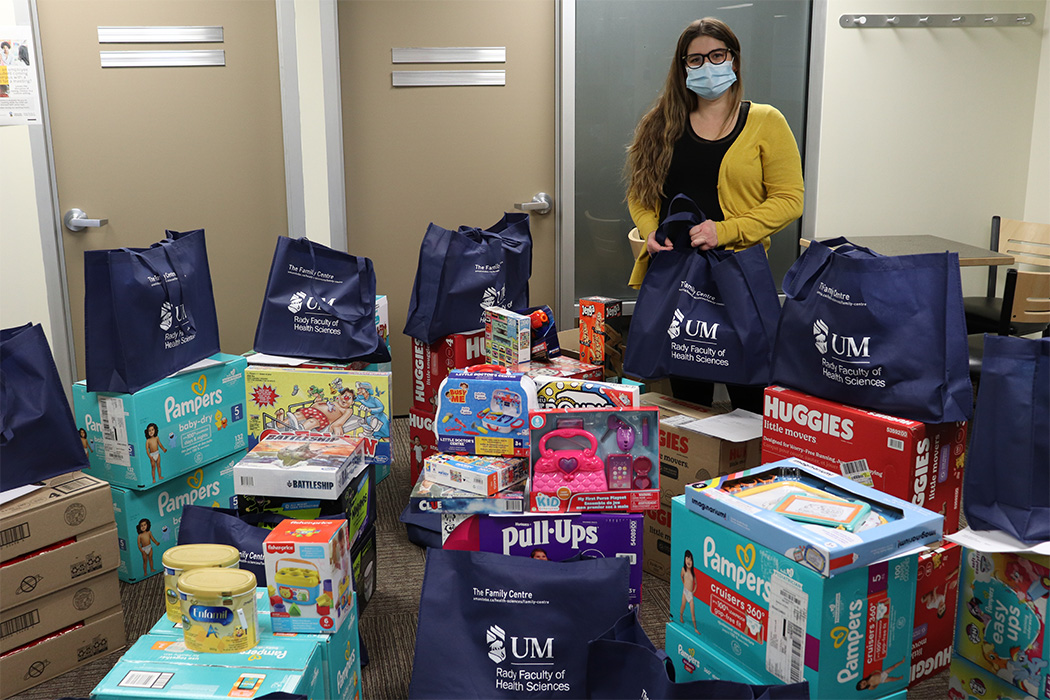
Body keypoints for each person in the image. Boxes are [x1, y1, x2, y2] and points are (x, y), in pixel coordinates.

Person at [625, 17, 803, 412]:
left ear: (734, 60)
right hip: (677, 275)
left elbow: (790, 199)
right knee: (685, 401)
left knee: (751, 393)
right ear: (682, 66)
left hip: (738, 273)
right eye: (695, 59)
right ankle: (694, 470)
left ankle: (752, 473)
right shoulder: (661, 124)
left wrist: (725, 231)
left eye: (717, 55)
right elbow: (640, 195)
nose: (707, 65)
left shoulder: (766, 122)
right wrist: (651, 231)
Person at [680, 549, 698, 633]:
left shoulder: (693, 573)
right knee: (683, 606)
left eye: (690, 559)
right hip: (685, 591)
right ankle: (680, 616)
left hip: (690, 594)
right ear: (684, 560)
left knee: (692, 612)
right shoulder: (683, 569)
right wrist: (684, 584)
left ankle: (695, 628)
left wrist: (693, 591)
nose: (689, 561)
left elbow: (696, 584)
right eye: (687, 559)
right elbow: (681, 576)